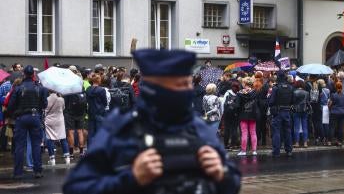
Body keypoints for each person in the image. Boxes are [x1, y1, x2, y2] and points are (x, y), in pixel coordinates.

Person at [63, 49, 241, 194]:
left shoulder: (198, 128)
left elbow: (232, 182)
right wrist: (131, 179)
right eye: (178, 85)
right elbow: (76, 187)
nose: (187, 91)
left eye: (188, 84)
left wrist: (221, 174)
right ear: (154, 88)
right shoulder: (122, 129)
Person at [7, 65, 48, 179]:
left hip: (21, 117)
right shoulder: (40, 88)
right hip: (35, 117)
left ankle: (18, 172)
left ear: (24, 74)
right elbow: (45, 104)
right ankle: (37, 171)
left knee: (19, 146)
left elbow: (10, 106)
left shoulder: (18, 88)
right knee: (36, 145)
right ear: (33, 75)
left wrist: (13, 114)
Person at [64, 67, 87, 159]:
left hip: (70, 112)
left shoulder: (69, 86)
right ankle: (81, 152)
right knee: (80, 131)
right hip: (81, 111)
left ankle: (71, 153)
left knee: (71, 132)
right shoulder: (81, 85)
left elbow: (66, 99)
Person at [269, 71, 294, 157]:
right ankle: (289, 150)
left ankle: (276, 152)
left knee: (276, 131)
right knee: (288, 131)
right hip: (287, 111)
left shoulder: (276, 88)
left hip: (278, 112)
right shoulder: (290, 87)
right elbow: (293, 101)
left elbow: (271, 102)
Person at [45, 91, 70, 166]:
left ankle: (52, 159)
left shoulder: (46, 99)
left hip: (49, 120)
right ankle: (67, 158)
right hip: (59, 120)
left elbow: (45, 110)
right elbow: (63, 108)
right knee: (63, 138)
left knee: (50, 138)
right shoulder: (61, 99)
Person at [236, 77, 258, 156]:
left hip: (243, 115)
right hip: (253, 114)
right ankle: (254, 150)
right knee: (253, 132)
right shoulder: (255, 92)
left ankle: (243, 151)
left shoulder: (239, 93)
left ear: (244, 83)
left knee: (244, 133)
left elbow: (237, 105)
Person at [86, 73, 107, 146]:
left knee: (91, 133)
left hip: (91, 112)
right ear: (98, 80)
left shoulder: (88, 89)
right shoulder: (101, 90)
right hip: (100, 113)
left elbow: (87, 100)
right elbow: (105, 102)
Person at [222, 80, 240, 149]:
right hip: (235, 114)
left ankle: (226, 145)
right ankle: (233, 144)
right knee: (234, 129)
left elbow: (223, 103)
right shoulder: (238, 94)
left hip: (227, 113)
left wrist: (223, 113)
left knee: (227, 129)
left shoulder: (227, 93)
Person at [329, 82, 344, 146]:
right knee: (341, 127)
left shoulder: (334, 95)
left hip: (334, 112)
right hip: (343, 112)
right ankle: (340, 141)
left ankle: (330, 141)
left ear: (336, 87)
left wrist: (330, 108)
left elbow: (330, 104)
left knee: (332, 127)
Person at [293, 80, 310, 148]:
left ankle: (297, 143)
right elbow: (308, 102)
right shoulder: (307, 93)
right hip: (304, 110)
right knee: (305, 127)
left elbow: (293, 102)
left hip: (296, 110)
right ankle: (305, 143)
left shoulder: (294, 92)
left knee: (296, 127)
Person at [318, 79, 331, 145]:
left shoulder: (319, 91)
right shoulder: (328, 90)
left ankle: (322, 137)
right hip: (326, 107)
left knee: (321, 124)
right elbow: (329, 99)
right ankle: (327, 138)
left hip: (320, 107)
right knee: (326, 124)